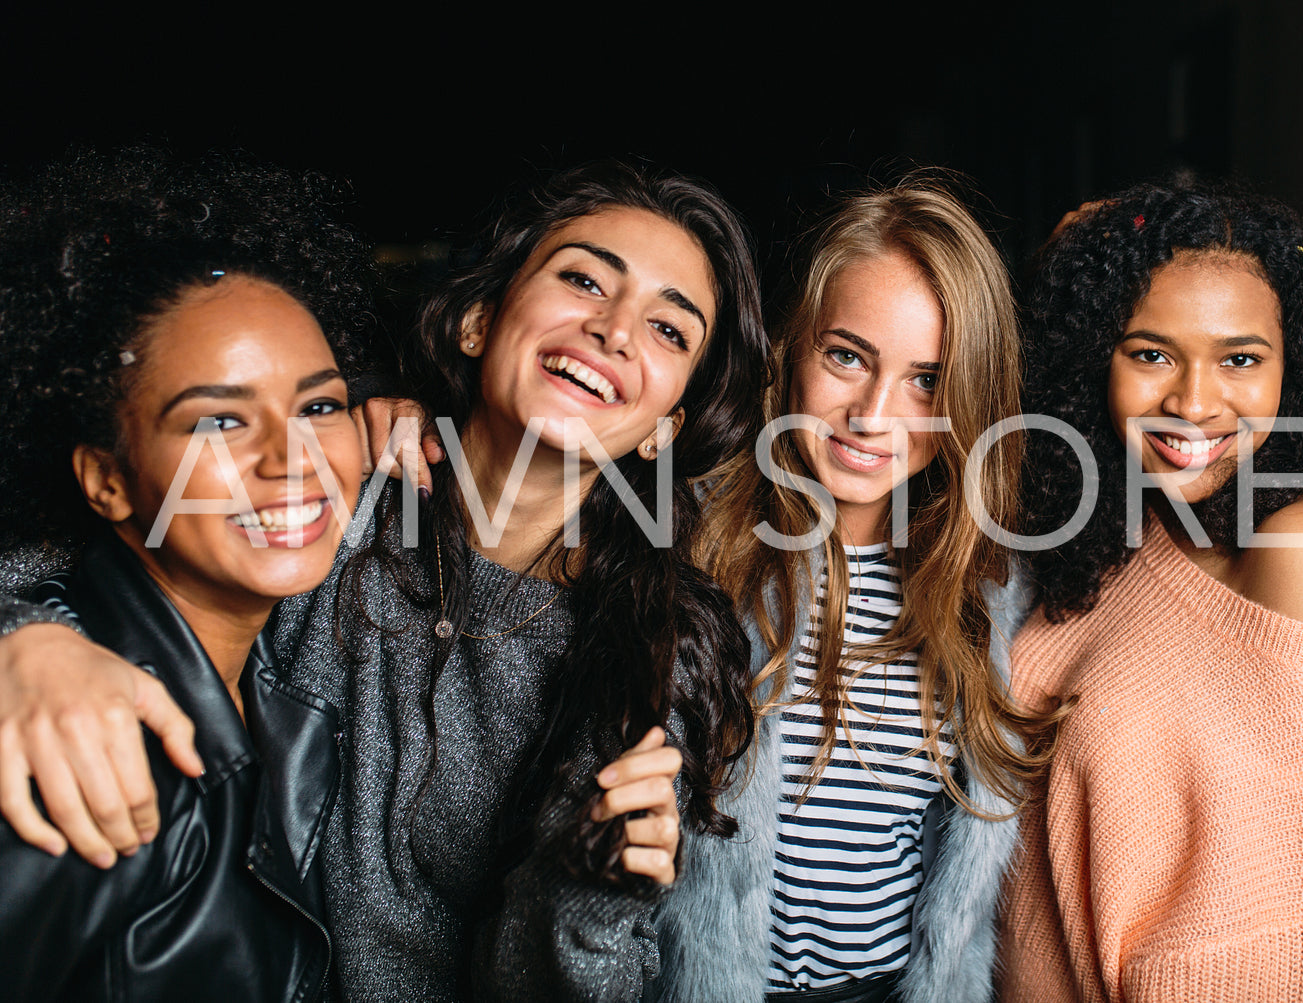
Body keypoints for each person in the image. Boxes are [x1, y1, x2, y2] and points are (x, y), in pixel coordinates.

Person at [0, 160, 769, 1001]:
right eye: (584, 279)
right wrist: (28, 640)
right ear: (480, 319)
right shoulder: (316, 493)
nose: (615, 330)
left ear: (665, 427)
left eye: (669, 330)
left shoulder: (651, 653)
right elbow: (83, 548)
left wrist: (588, 888)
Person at [996, 183, 1303, 1001]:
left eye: (1239, 358)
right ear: (1092, 352)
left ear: (1295, 365)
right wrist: (1071, 262)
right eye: (1149, 352)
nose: (1194, 403)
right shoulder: (1119, 530)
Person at [648, 175, 1066, 1003]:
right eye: (847, 355)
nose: (872, 414)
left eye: (925, 380)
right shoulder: (681, 544)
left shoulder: (987, 587)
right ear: (792, 347)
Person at [0, 148, 370, 1000]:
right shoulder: (82, 752)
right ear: (108, 479)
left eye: (320, 405)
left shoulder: (280, 688)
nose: (294, 457)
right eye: (216, 423)